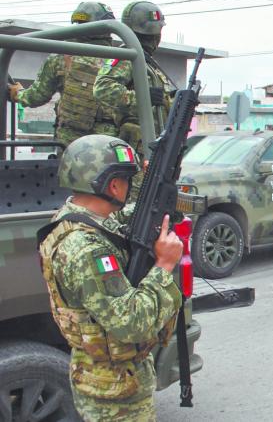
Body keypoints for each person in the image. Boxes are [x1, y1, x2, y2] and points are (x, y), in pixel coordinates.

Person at [37, 134, 182, 421]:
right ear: (113, 185)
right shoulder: (86, 249)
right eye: (126, 180)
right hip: (115, 394)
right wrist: (165, 264)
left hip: (107, 376)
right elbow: (132, 323)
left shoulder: (75, 216)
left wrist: (152, 184)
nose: (127, 187)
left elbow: (126, 218)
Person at [6, 2, 118, 147]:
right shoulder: (121, 60)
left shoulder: (61, 57)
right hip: (110, 145)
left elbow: (36, 97)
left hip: (71, 145)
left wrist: (17, 93)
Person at [93, 0, 174, 160]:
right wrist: (143, 97)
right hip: (135, 148)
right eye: (151, 35)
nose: (155, 38)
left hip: (152, 145)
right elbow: (102, 88)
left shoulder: (148, 63)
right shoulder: (128, 57)